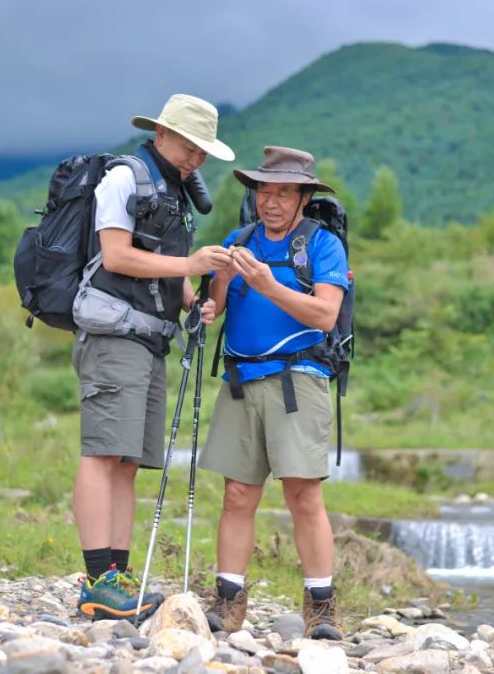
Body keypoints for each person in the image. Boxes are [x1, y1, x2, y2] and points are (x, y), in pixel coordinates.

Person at [73, 94, 234, 621]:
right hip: (114, 333)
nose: (196, 160)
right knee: (101, 454)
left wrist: (192, 299)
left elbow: (163, 262)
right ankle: (97, 580)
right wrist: (190, 262)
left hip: (150, 338)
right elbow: (116, 254)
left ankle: (117, 578)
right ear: (162, 134)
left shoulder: (174, 191)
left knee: (127, 461)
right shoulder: (126, 177)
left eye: (203, 153)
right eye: (191, 147)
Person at [197, 146, 348, 640]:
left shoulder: (323, 246)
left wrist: (264, 282)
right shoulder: (238, 240)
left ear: (304, 197)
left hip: (297, 380)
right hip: (240, 381)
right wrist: (211, 295)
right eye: (264, 190)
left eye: (283, 192)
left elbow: (324, 315)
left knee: (303, 493)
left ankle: (321, 607)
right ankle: (227, 600)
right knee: (237, 493)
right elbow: (214, 307)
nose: (272, 201)